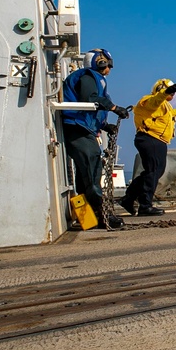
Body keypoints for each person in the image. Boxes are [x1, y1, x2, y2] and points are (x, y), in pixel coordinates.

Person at [61, 48, 130, 229]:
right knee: (93, 171)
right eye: (108, 64)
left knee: (86, 177)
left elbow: (91, 111)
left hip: (83, 128)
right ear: (100, 62)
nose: (110, 68)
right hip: (78, 130)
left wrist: (106, 126)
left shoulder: (92, 78)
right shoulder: (89, 76)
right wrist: (115, 108)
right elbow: (90, 99)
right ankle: (102, 216)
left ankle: (88, 218)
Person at [120, 78, 176, 217]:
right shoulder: (149, 100)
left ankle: (129, 199)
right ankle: (145, 206)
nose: (172, 95)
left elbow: (165, 116)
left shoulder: (163, 105)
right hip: (150, 138)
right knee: (153, 172)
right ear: (161, 89)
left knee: (153, 172)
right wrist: (164, 93)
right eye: (170, 91)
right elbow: (154, 103)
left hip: (156, 140)